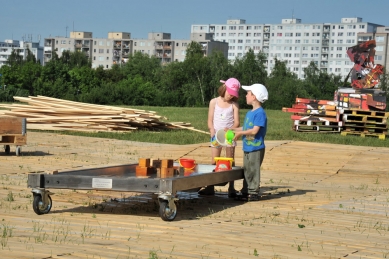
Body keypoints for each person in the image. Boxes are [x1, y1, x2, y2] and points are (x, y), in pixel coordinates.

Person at [198, 78, 241, 198]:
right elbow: (210, 119)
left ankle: (231, 187)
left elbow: (237, 122)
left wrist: (230, 130)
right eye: (229, 93)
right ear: (224, 89)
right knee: (214, 161)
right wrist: (212, 130)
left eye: (233, 95)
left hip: (228, 136)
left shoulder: (234, 105)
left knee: (230, 161)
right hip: (216, 136)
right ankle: (210, 186)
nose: (231, 97)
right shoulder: (214, 102)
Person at [232, 83, 268, 201]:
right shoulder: (249, 113)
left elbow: (254, 131)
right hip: (248, 147)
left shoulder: (260, 113)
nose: (246, 95)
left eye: (248, 93)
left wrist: (239, 134)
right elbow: (245, 128)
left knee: (253, 169)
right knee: (247, 169)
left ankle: (253, 192)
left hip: (256, 148)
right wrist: (233, 129)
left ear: (254, 97)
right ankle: (246, 190)